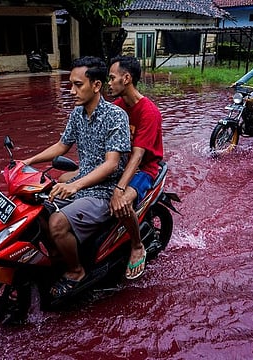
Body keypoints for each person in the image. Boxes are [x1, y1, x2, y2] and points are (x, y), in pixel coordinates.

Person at [23, 56, 131, 299]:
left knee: (57, 223)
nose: (72, 91)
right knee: (37, 209)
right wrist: (28, 161)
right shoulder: (77, 114)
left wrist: (75, 185)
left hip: (105, 190)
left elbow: (112, 164)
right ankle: (60, 257)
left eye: (77, 85)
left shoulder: (116, 116)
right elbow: (62, 145)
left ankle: (76, 271)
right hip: (80, 183)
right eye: (71, 84)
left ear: (96, 85)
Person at [107, 55, 163, 280]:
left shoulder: (149, 112)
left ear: (126, 78)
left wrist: (120, 189)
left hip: (144, 169)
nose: (109, 83)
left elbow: (139, 156)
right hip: (121, 164)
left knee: (122, 204)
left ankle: (137, 245)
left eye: (112, 78)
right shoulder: (118, 107)